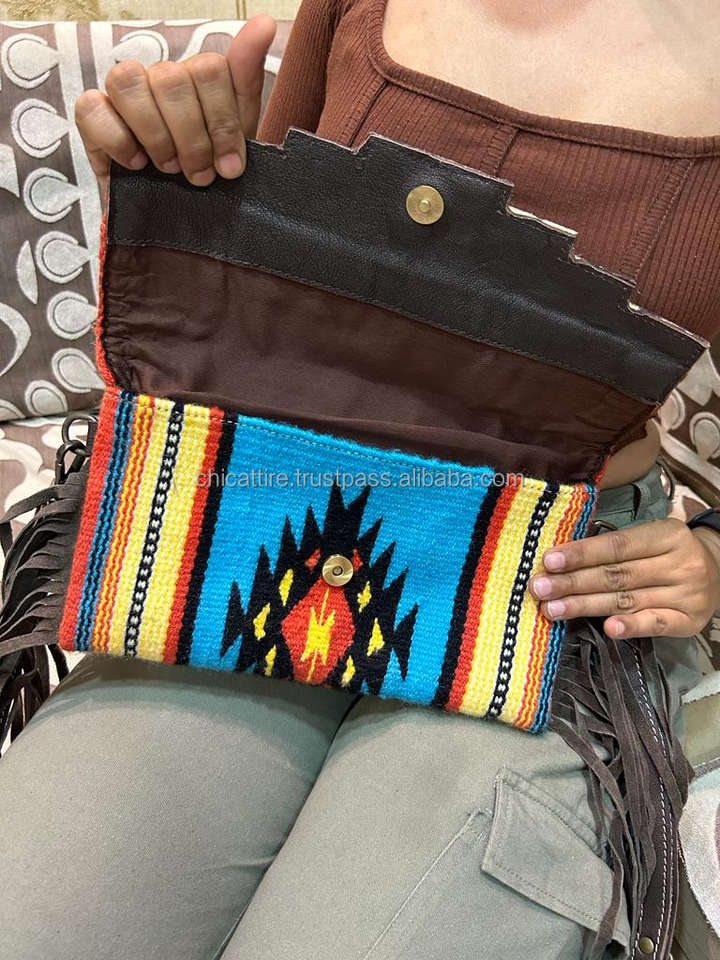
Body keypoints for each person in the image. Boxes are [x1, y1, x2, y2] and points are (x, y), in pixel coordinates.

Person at [2, 2, 719, 958]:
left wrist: (714, 555)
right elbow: (263, 288)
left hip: (550, 584)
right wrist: (169, 194)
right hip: (266, 532)